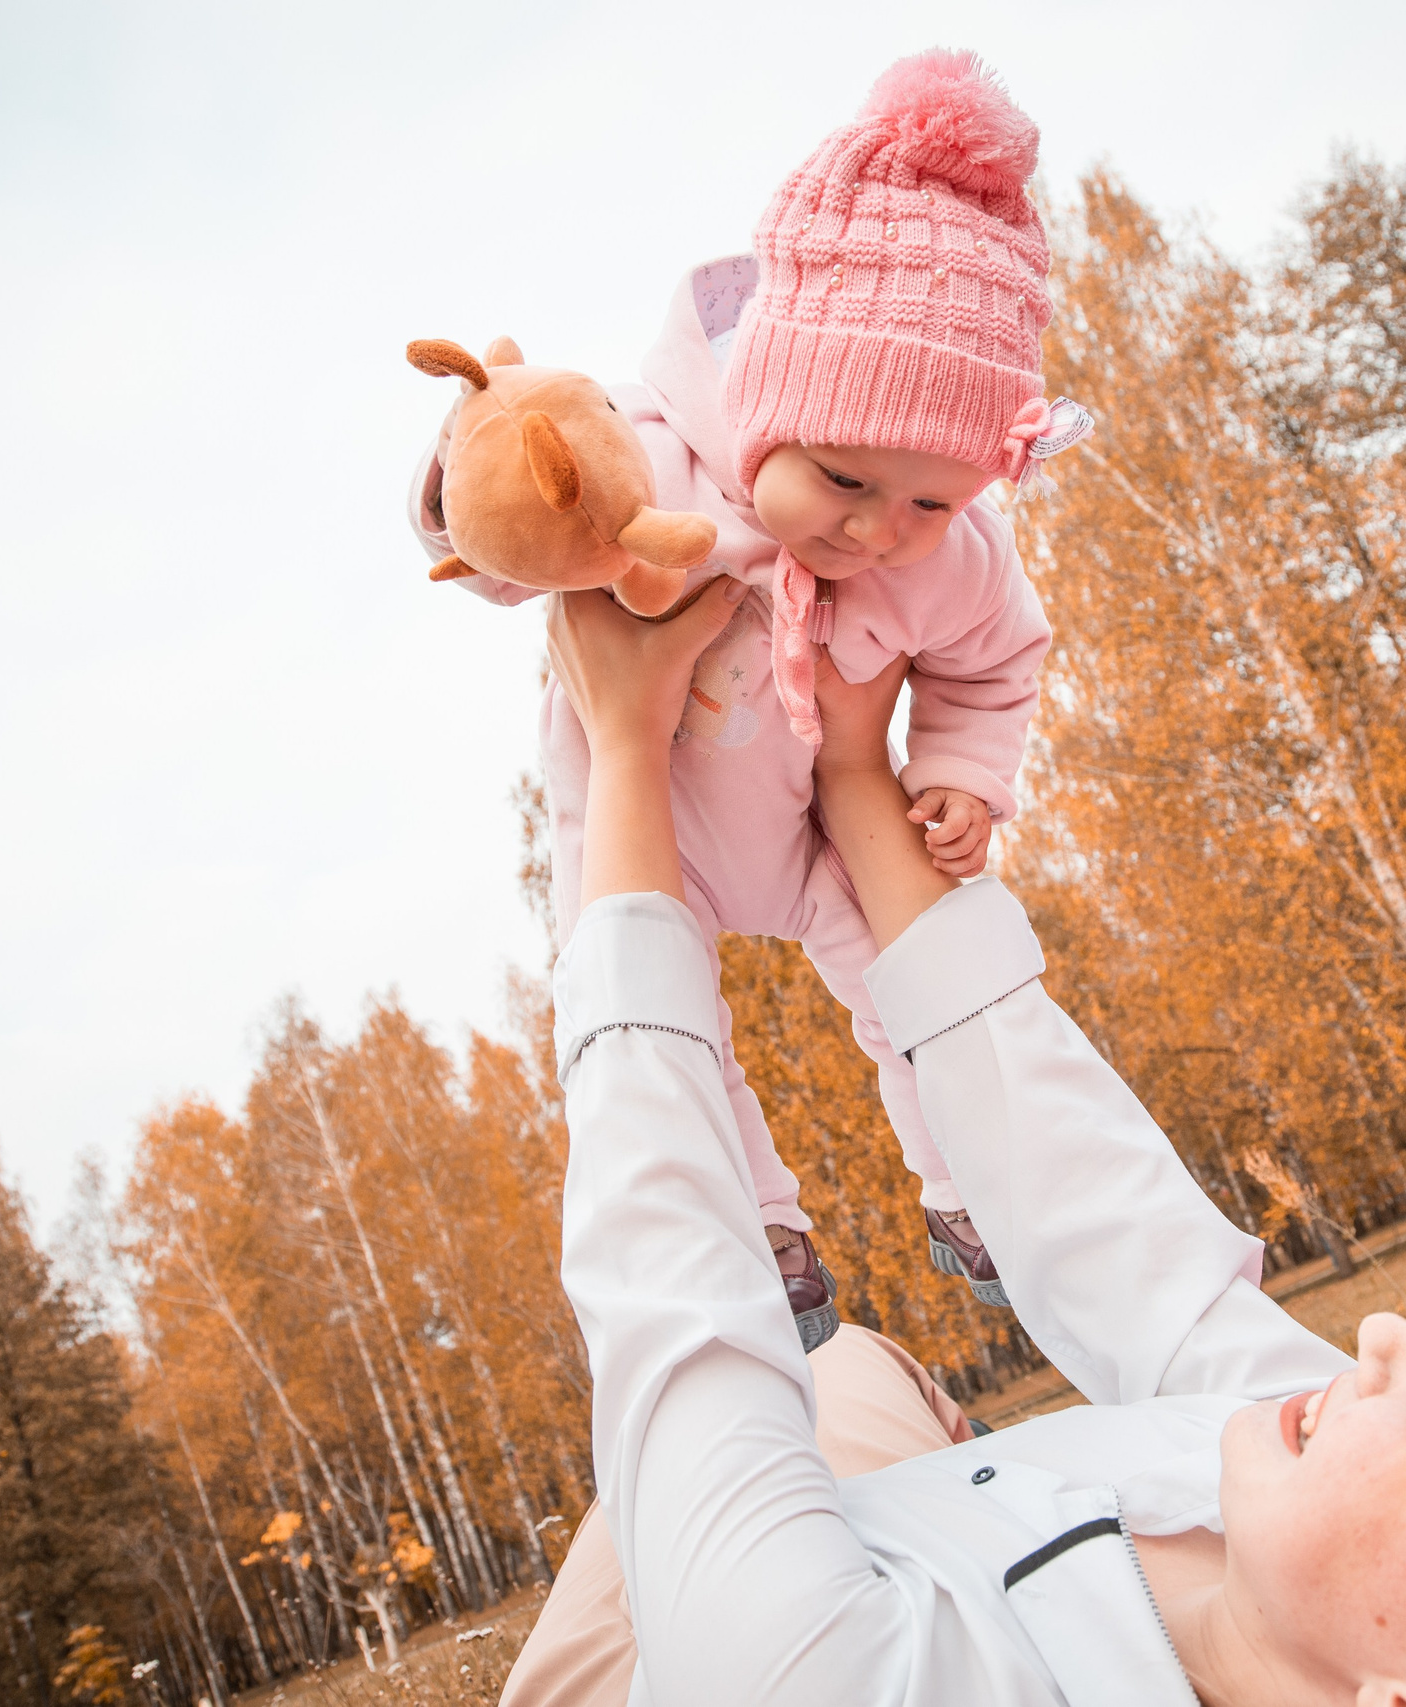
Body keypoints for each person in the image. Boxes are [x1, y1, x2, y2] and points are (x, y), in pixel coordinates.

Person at [503, 580, 1406, 1707]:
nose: (1392, 1339)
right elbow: (1119, 1240)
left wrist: (625, 753)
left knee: (763, 1396)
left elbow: (679, 1305)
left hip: (663, 1649)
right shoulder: (1317, 1525)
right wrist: (856, 780)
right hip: (888, 1520)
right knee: (850, 1368)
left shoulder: (832, 1683)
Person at [408, 50, 1092, 1341]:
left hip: (814, 823)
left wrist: (960, 771)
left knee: (912, 976)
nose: (883, 533)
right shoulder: (651, 458)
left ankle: (975, 1188)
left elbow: (997, 657)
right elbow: (521, 539)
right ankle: (759, 1230)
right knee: (658, 1002)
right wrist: (473, 476)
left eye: (930, 499)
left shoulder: (952, 553)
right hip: (642, 812)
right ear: (766, 409)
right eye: (843, 481)